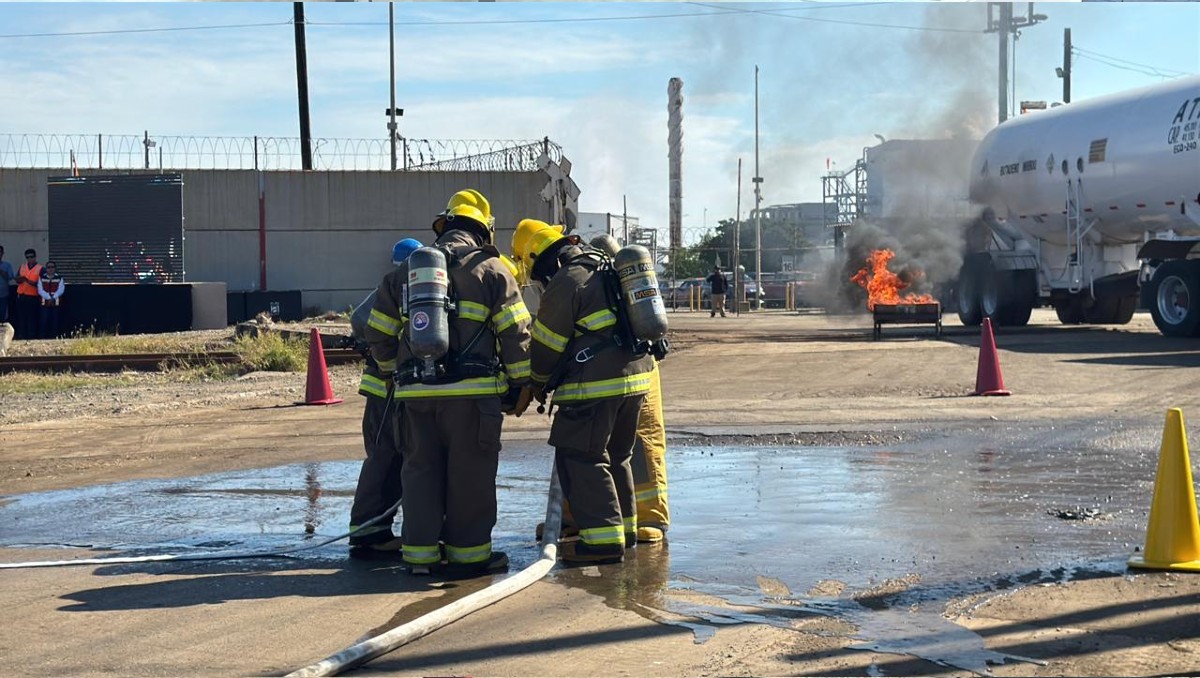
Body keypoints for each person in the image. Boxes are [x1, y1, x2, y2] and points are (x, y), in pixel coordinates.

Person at [366, 189, 532, 578]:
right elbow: (516, 334)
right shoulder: (493, 272)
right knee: (469, 474)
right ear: (483, 231)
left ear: (444, 226)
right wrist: (520, 384)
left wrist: (394, 372)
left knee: (419, 471)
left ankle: (419, 557)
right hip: (473, 400)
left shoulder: (405, 272)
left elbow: (378, 334)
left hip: (415, 396)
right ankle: (469, 557)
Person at [512, 219, 655, 565]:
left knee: (580, 455)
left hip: (596, 385)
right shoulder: (605, 266)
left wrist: (536, 382)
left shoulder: (566, 281)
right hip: (636, 379)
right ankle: (626, 530)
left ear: (539, 259)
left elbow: (547, 346)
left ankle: (602, 541)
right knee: (617, 455)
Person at [588, 235, 669, 544]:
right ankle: (578, 514)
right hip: (630, 368)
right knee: (595, 447)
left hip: (637, 369)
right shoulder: (621, 284)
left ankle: (651, 516)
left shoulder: (605, 283)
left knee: (642, 443)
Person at [345, 237, 423, 561]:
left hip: (392, 389)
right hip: (385, 390)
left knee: (393, 459)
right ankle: (367, 531)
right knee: (383, 459)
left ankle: (376, 529)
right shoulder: (398, 287)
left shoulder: (400, 288)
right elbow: (361, 321)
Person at [15, 249, 42, 340]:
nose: (29, 259)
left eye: (31, 257)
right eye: (27, 257)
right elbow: (17, 279)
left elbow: (40, 284)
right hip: (21, 295)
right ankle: (22, 335)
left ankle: (31, 336)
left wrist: (27, 280)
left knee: (31, 318)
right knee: (21, 317)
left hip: (32, 296)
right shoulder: (22, 266)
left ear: (35, 256)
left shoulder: (40, 268)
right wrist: (19, 279)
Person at [36, 261, 64, 339]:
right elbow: (40, 290)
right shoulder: (41, 278)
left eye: (52, 267)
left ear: (55, 268)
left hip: (56, 303)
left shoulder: (60, 278)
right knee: (43, 321)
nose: (50, 269)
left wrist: (53, 297)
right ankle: (42, 338)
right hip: (44, 303)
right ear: (46, 269)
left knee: (55, 321)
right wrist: (48, 297)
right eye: (49, 267)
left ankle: (54, 338)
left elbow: (61, 290)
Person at [0, 245, 14, 325]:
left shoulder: (7, 265)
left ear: (2, 253)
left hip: (3, 295)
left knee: (2, 315)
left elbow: (9, 277)